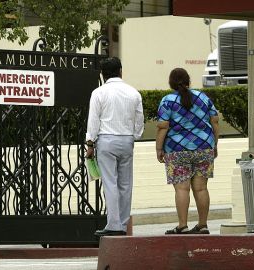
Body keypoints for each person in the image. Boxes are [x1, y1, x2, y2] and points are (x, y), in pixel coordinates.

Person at [156, 68, 219, 234]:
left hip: (177, 150)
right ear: (188, 81)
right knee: (201, 188)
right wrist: (215, 144)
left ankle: (182, 226)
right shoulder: (203, 98)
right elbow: (215, 121)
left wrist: (159, 148)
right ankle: (202, 225)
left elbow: (163, 127)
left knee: (182, 189)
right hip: (204, 148)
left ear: (171, 82)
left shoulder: (167, 101)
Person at [85, 57, 144, 237]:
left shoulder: (99, 93)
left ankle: (113, 224)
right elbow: (139, 120)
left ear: (103, 75)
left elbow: (93, 121)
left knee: (110, 183)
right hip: (126, 140)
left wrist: (90, 143)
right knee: (126, 185)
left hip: (106, 140)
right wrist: (134, 136)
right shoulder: (134, 93)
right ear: (120, 71)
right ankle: (123, 224)